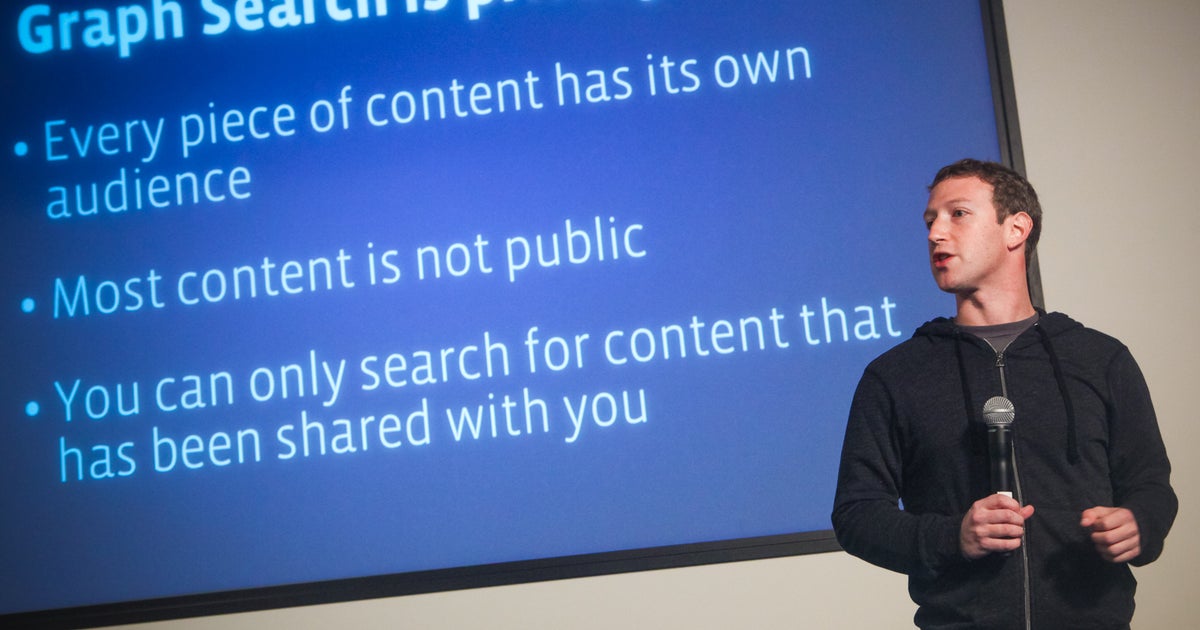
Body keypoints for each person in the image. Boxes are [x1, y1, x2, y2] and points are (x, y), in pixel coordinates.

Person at [831, 159, 1177, 629]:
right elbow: (857, 515)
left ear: (1016, 229)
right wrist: (952, 536)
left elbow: (1150, 484)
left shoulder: (1100, 359)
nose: (935, 234)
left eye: (957, 214)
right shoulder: (895, 376)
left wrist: (1140, 524)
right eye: (930, 220)